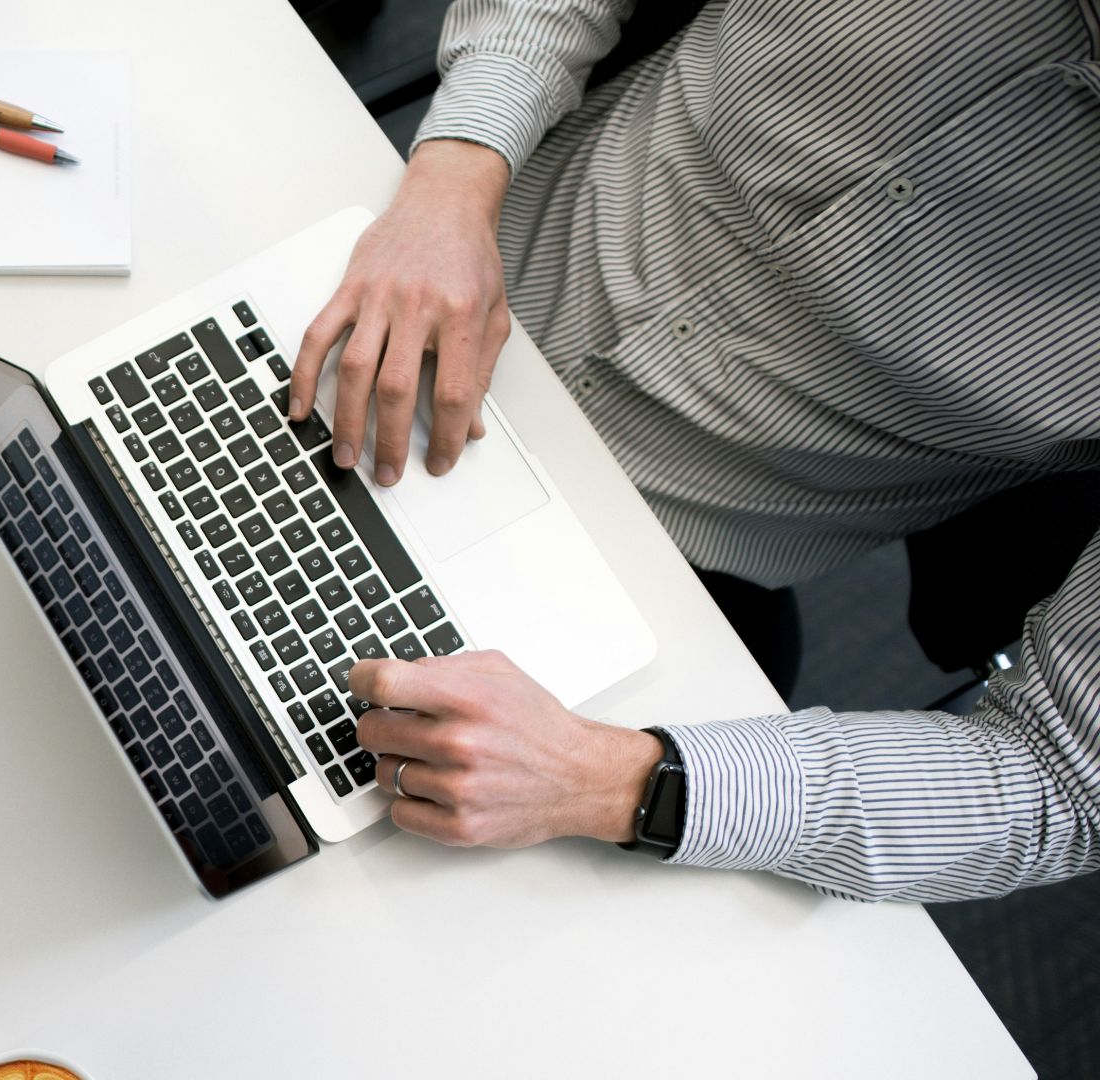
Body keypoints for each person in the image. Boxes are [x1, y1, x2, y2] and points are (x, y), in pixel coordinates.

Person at [298, 0, 1100, 901]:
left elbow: (1061, 784)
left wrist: (613, 782)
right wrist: (457, 174)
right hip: (417, 258)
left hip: (658, 569)